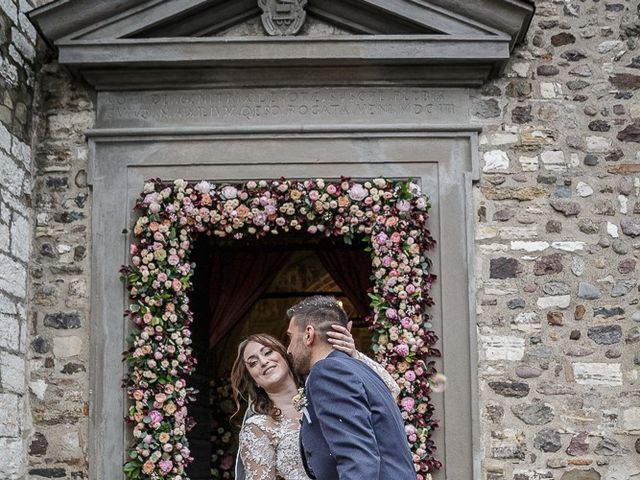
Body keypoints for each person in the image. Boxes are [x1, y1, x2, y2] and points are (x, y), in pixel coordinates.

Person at [230, 321, 399, 480]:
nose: (264, 362)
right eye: (253, 363)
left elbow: (391, 390)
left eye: (268, 352)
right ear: (254, 381)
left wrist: (353, 355)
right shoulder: (258, 428)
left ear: (284, 355)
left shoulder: (326, 390)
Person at [286, 296, 416, 480]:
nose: (288, 349)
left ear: (309, 334)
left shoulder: (328, 372)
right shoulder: (364, 371)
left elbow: (358, 460)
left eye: (290, 337)